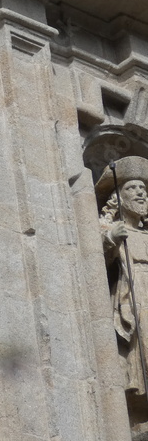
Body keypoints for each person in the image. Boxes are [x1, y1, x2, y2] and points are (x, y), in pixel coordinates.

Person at [97, 156, 148, 404]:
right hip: (136, 292)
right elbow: (96, 265)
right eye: (131, 188)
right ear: (119, 197)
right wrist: (111, 240)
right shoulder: (112, 230)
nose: (140, 193)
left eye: (143, 189)